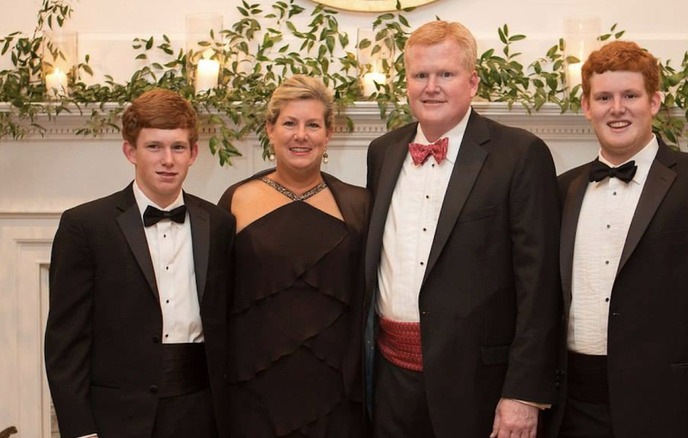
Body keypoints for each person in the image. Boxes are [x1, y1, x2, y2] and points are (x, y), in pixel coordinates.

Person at [548, 40, 688, 438]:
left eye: (630, 95)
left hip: (673, 408)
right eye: (604, 97)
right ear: (586, 106)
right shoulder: (561, 191)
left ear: (654, 101)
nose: (617, 108)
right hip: (571, 410)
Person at [364, 20, 562, 438]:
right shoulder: (383, 152)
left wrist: (523, 393)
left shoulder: (520, 154)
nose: (431, 87)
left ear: (472, 83)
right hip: (390, 379)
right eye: (420, 75)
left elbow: (540, 285)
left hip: (480, 388)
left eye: (446, 74)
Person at [44, 89, 235, 438]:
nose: (168, 160)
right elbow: (65, 343)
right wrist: (81, 430)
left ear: (193, 153)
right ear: (130, 151)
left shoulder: (219, 224)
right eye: (154, 147)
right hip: (117, 417)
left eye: (178, 147)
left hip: (201, 413)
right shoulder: (85, 226)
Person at [219, 75, 370, 438]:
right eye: (289, 123)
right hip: (254, 388)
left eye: (313, 125)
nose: (301, 135)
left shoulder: (359, 204)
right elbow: (216, 300)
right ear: (270, 129)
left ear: (329, 133)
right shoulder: (237, 200)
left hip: (335, 391)